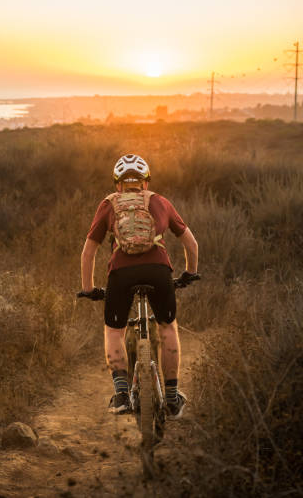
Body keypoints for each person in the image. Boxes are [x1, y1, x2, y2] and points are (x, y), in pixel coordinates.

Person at [80, 154, 199, 418]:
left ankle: (122, 395)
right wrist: (189, 273)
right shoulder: (160, 201)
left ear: (118, 185)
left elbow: (89, 252)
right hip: (158, 272)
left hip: (120, 275)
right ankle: (171, 397)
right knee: (167, 327)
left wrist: (89, 289)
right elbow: (191, 243)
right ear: (145, 183)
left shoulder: (108, 205)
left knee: (114, 331)